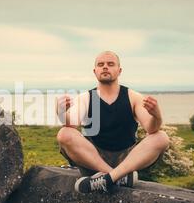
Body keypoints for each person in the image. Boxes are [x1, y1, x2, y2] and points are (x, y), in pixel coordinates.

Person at [56, 51, 170, 194]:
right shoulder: (85, 98)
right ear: (95, 71)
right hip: (93, 160)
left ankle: (105, 180)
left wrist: (157, 116)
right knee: (64, 133)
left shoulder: (133, 97)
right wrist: (60, 112)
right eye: (101, 64)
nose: (105, 67)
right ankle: (117, 176)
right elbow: (71, 124)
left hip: (127, 160)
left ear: (119, 70)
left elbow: (151, 129)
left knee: (162, 137)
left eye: (110, 64)